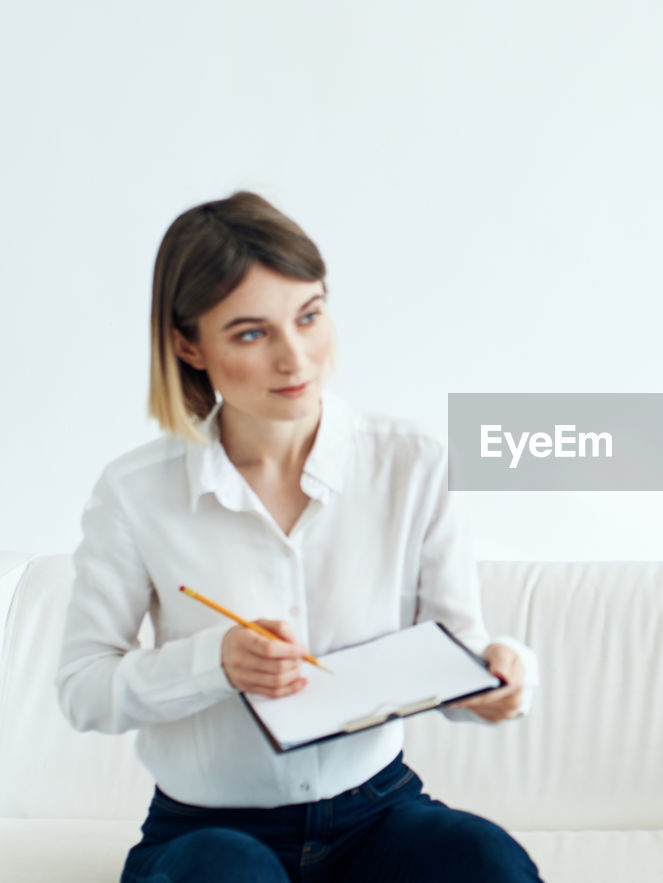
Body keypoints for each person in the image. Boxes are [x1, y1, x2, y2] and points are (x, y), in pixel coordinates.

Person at [55, 191, 543, 883]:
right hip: (206, 830)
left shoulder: (415, 463)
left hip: (376, 813)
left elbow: (456, 656)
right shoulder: (135, 493)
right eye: (252, 333)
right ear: (188, 344)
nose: (297, 358)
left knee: (483, 861)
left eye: (309, 316)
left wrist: (495, 680)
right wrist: (213, 664)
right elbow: (82, 688)